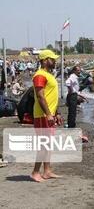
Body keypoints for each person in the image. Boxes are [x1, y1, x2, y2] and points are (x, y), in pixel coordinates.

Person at [31, 49, 63, 182]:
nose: (55, 61)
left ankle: (47, 171)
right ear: (44, 60)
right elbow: (40, 96)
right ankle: (35, 172)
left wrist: (57, 113)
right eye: (52, 59)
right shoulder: (39, 75)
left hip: (49, 114)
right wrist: (48, 114)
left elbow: (51, 97)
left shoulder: (48, 75)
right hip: (42, 115)